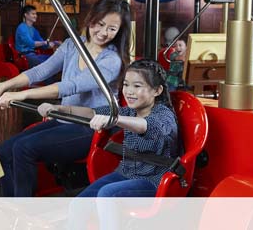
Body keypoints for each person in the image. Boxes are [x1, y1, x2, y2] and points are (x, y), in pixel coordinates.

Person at [0, 0, 131, 197]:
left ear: (119, 31)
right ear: (91, 18)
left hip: (90, 127)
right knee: (3, 152)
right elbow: (40, 72)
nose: (103, 33)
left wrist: (22, 95)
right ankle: (11, 207)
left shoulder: (111, 60)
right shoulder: (72, 45)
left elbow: (71, 86)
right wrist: (2, 87)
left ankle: (22, 213)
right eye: (100, 24)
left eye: (112, 28)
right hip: (64, 118)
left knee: (24, 149)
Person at [43, 59, 179, 230]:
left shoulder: (163, 115)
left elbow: (146, 125)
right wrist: (61, 110)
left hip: (155, 179)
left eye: (137, 86)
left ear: (157, 90)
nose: (129, 91)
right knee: (78, 204)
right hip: (126, 172)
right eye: (126, 85)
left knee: (106, 194)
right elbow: (92, 112)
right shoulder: (129, 111)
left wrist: (115, 119)